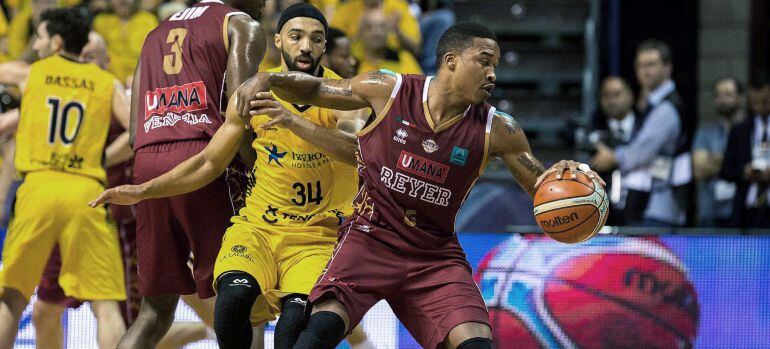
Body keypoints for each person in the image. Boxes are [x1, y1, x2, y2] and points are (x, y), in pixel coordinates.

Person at [235, 22, 604, 349]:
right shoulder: (388, 89)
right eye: (484, 61)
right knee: (318, 332)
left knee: (476, 343)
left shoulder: (499, 129)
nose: (493, 74)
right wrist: (267, 78)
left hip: (434, 254)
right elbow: (316, 90)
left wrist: (566, 177)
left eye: (495, 66)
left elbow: (540, 185)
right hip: (369, 237)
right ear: (451, 61)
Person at [90, 4, 373, 348]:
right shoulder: (251, 79)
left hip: (314, 234)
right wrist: (143, 190)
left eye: (316, 39)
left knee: (287, 334)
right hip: (259, 226)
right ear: (278, 40)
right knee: (232, 304)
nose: (305, 47)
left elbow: (355, 150)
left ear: (324, 46)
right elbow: (211, 159)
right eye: (296, 37)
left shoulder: (347, 96)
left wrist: (291, 122)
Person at [117, 0, 266, 347]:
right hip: (207, 159)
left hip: (149, 163)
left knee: (153, 311)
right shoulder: (242, 24)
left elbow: (135, 135)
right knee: (243, 295)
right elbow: (240, 113)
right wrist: (259, 174)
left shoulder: (154, 33)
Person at [0, 8, 130, 348]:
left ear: (56, 42)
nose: (37, 44)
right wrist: (103, 157)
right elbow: (136, 130)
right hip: (85, 190)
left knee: (12, 298)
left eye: (39, 38)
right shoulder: (105, 82)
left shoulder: (33, 73)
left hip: (39, 186)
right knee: (106, 307)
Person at [591, 39, 693, 227]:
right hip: (646, 202)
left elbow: (643, 151)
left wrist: (614, 157)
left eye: (651, 64)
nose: (645, 71)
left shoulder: (667, 108)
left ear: (667, 68)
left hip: (660, 203)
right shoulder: (652, 105)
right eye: (640, 65)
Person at [589, 76, 643, 225]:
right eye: (606, 95)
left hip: (641, 211)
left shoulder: (645, 127)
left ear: (630, 95)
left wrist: (614, 158)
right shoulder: (592, 130)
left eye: (617, 94)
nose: (612, 100)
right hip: (602, 214)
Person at [693, 77, 744, 227]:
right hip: (710, 211)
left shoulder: (749, 132)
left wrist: (714, 159)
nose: (722, 99)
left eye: (728, 94)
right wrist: (735, 162)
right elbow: (699, 169)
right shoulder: (705, 133)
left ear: (740, 98)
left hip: (740, 211)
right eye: (718, 95)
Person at [721, 73, 770, 228]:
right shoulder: (740, 130)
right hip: (747, 210)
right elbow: (726, 170)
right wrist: (744, 171)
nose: (760, 106)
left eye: (765, 101)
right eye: (755, 102)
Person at [92, 0, 159, 84]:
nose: (123, 1)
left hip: (143, 81)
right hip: (109, 81)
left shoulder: (149, 20)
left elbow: (154, 57)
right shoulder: (100, 22)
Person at [356, 8, 422, 74]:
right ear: (360, 33)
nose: (376, 33)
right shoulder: (353, 60)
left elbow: (419, 83)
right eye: (369, 27)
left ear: (388, 31)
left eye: (382, 27)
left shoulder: (402, 59)